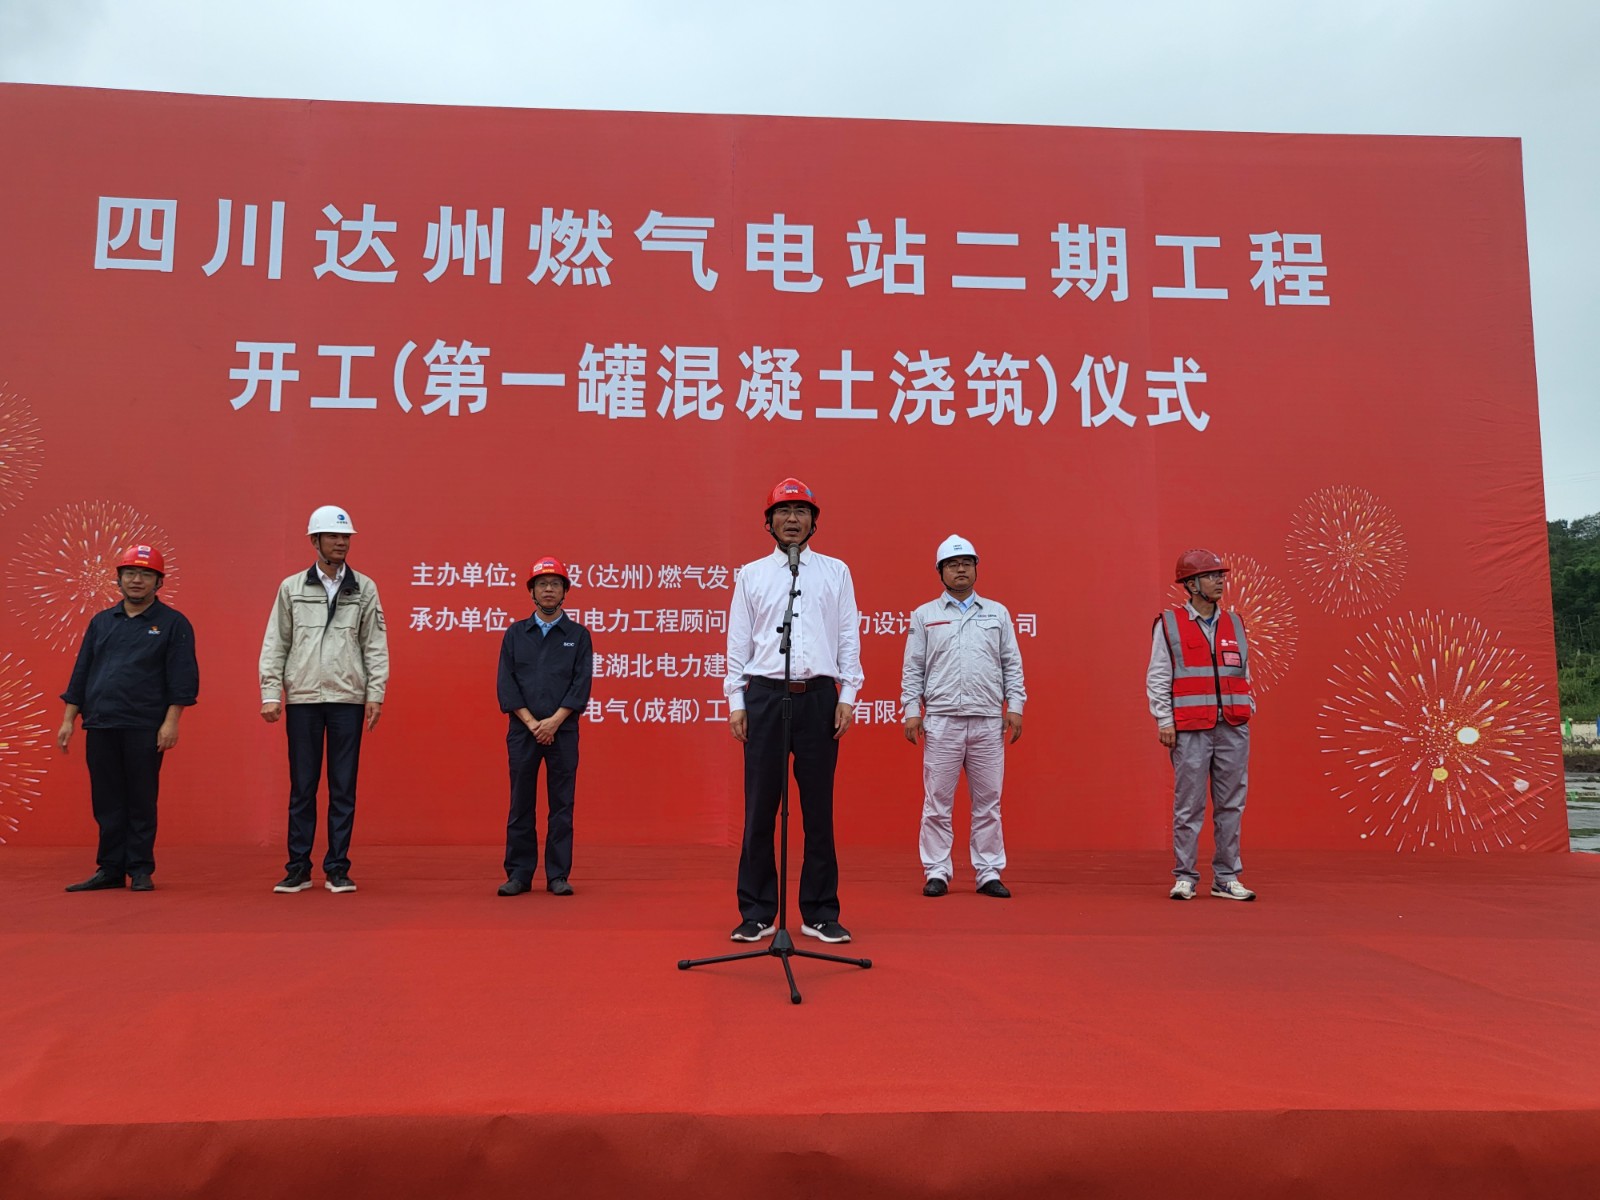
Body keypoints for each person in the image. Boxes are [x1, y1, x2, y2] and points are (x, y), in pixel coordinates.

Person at [725, 477, 863, 944]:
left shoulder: (836, 571)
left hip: (820, 697)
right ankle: (757, 911)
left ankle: (820, 912)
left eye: (801, 512)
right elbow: (738, 644)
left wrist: (847, 696)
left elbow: (848, 637)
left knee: (818, 810)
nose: (792, 519)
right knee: (760, 808)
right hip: (765, 696)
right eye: (783, 512)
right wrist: (736, 701)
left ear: (813, 522)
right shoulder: (751, 575)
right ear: (768, 522)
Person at [259, 505, 388, 894]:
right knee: (303, 786)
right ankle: (298, 868)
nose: (341, 542)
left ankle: (337, 868)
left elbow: (375, 644)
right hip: (303, 698)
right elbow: (276, 642)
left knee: (343, 786)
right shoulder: (292, 588)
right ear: (315, 541)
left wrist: (375, 693)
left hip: (348, 697)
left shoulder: (364, 588)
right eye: (333, 536)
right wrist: (271, 692)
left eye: (345, 536)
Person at [57, 545, 199, 892]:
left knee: (141, 798)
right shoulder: (102, 622)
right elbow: (82, 671)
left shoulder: (173, 624)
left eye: (146, 574)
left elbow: (182, 678)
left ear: (159, 582)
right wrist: (68, 719)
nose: (137, 580)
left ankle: (139, 868)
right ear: (118, 579)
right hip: (101, 722)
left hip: (145, 725)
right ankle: (109, 868)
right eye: (130, 573)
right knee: (106, 800)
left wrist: (171, 722)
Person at [901, 535, 1026, 898]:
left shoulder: (997, 613)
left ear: (976, 569)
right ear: (940, 572)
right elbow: (913, 668)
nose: (960, 570)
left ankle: (988, 872)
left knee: (989, 803)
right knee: (936, 803)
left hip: (988, 720)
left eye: (967, 564)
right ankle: (937, 871)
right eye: (953, 565)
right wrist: (912, 711)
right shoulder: (925, 615)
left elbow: (1011, 664)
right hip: (942, 720)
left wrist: (1015, 707)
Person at [1147, 549, 1256, 901]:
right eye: (1211, 576)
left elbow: (1243, 672)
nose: (1219, 581)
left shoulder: (1235, 623)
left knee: (1231, 805)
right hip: (1191, 727)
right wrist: (1165, 719)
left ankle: (1226, 877)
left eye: (1220, 575)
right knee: (1189, 805)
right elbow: (1158, 675)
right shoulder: (1169, 624)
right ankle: (1185, 876)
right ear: (1191, 584)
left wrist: (1248, 705)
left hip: (1233, 727)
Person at [495, 556, 593, 897]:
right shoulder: (515, 634)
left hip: (562, 731)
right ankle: (519, 874)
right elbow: (507, 684)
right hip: (523, 731)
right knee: (520, 802)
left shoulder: (578, 635)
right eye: (542, 584)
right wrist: (533, 723)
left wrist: (553, 722)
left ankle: (557, 875)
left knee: (561, 804)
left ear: (565, 591)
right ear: (532, 592)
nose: (548, 589)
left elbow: (581, 684)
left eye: (555, 584)